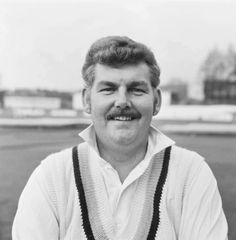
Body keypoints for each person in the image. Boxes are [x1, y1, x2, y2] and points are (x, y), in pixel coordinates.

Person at [12, 36, 228, 240]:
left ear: (157, 101)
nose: (122, 101)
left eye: (136, 90)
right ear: (87, 100)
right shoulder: (52, 177)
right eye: (108, 89)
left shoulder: (191, 173)